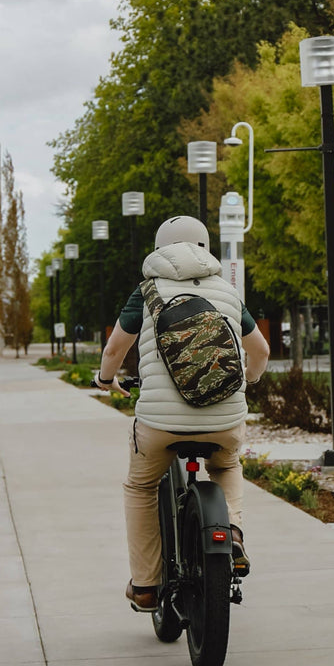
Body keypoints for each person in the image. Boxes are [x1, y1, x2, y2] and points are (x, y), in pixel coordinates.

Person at [93, 215, 270, 612]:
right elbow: (260, 352)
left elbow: (114, 351)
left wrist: (105, 381)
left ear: (159, 250)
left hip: (160, 427)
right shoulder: (228, 292)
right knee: (227, 466)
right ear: (205, 248)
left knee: (140, 487)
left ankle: (145, 586)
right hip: (224, 421)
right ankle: (234, 531)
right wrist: (249, 380)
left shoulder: (147, 291)